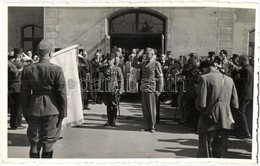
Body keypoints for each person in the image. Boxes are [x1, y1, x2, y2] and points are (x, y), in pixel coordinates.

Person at [20, 39, 67, 158]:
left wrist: (25, 111)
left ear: (37, 53)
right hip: (52, 108)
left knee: (34, 144)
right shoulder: (56, 70)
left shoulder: (28, 69)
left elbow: (24, 93)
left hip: (33, 108)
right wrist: (63, 110)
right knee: (48, 143)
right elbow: (61, 92)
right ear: (50, 54)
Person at [196, 60, 239, 158]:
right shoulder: (229, 80)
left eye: (201, 71)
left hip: (209, 118)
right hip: (225, 119)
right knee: (221, 148)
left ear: (205, 68)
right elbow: (235, 104)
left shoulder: (204, 78)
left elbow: (201, 104)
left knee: (205, 149)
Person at [132, 48, 164, 133]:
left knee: (152, 108)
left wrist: (159, 90)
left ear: (152, 54)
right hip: (144, 87)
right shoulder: (144, 63)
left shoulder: (156, 64)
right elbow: (134, 65)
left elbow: (160, 78)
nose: (146, 55)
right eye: (145, 53)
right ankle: (147, 125)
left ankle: (152, 126)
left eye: (147, 54)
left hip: (152, 88)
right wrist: (137, 57)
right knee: (145, 108)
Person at [99, 56, 124, 127]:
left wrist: (121, 89)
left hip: (114, 89)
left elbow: (121, 79)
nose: (109, 61)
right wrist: (103, 62)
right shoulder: (104, 68)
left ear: (113, 60)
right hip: (106, 88)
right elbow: (98, 68)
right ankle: (109, 120)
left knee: (114, 104)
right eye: (108, 60)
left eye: (110, 60)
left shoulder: (117, 68)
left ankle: (113, 120)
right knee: (108, 105)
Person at [233, 55, 253, 138]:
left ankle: (245, 132)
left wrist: (239, 97)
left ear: (244, 60)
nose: (238, 62)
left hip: (244, 96)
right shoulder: (249, 68)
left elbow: (243, 85)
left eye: (240, 60)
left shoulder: (245, 70)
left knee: (240, 112)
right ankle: (244, 131)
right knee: (244, 113)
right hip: (248, 95)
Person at [9, 48, 26, 130]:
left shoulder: (11, 63)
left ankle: (13, 124)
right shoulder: (21, 64)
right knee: (18, 106)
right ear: (21, 55)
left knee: (12, 107)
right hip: (18, 87)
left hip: (11, 87)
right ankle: (17, 124)